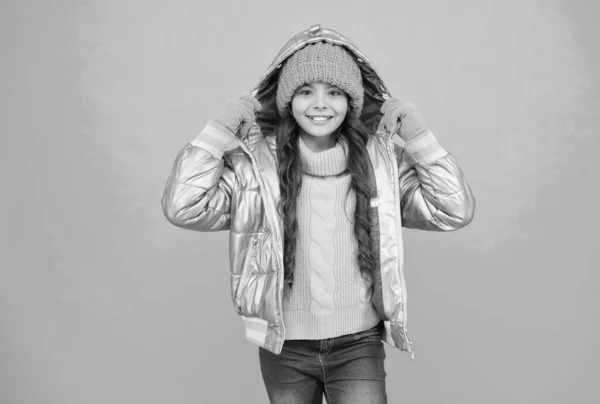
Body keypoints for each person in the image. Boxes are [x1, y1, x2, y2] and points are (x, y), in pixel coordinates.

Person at [162, 24, 475, 404]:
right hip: (285, 345)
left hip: (358, 343)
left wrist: (420, 135)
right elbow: (182, 206)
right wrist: (217, 132)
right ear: (286, 100)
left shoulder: (381, 165)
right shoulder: (256, 169)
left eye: (335, 92)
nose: (320, 104)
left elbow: (452, 209)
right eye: (305, 91)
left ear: (352, 101)